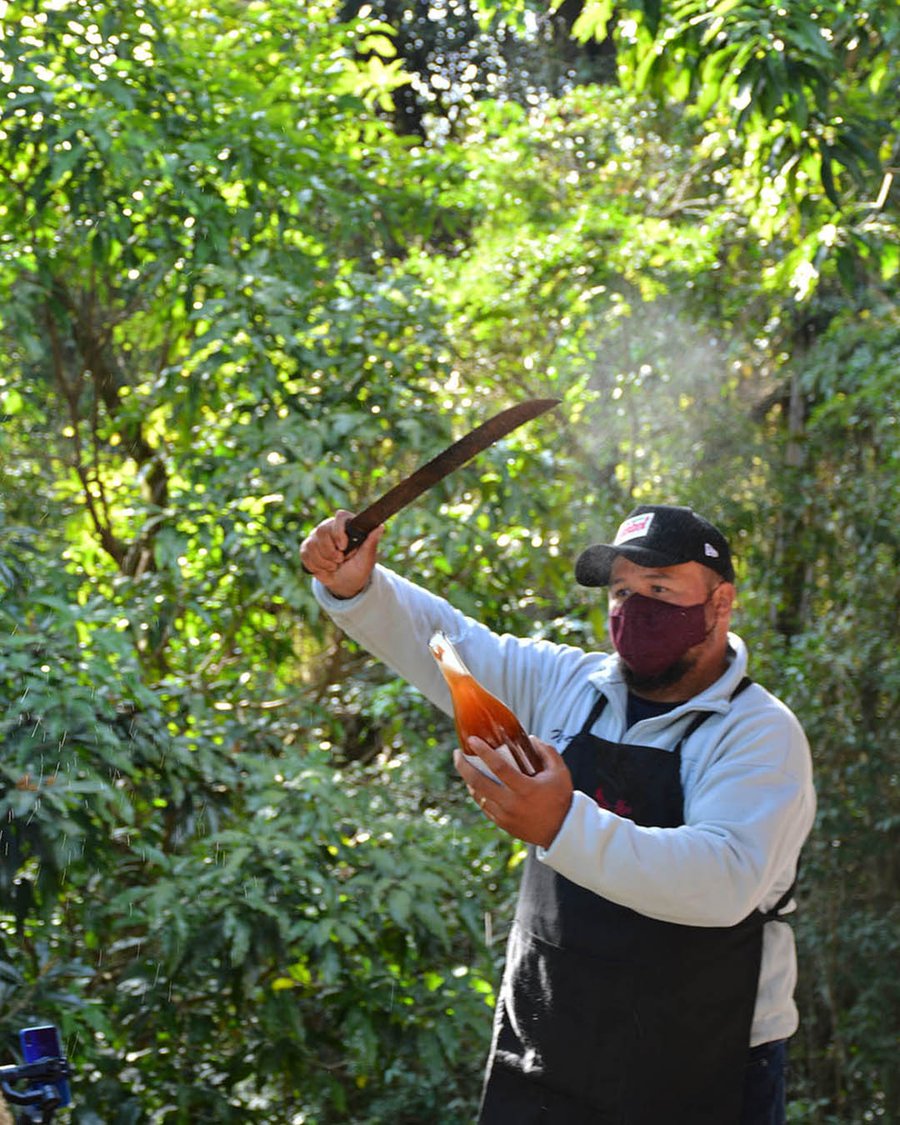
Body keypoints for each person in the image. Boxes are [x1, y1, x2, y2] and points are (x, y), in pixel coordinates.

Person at [300, 503, 816, 1125]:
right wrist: (357, 586)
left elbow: (723, 882)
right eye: (622, 590)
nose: (633, 609)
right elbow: (448, 646)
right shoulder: (569, 684)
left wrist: (562, 825)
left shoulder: (758, 733)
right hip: (548, 1044)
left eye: (659, 589)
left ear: (721, 602)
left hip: (702, 1062)